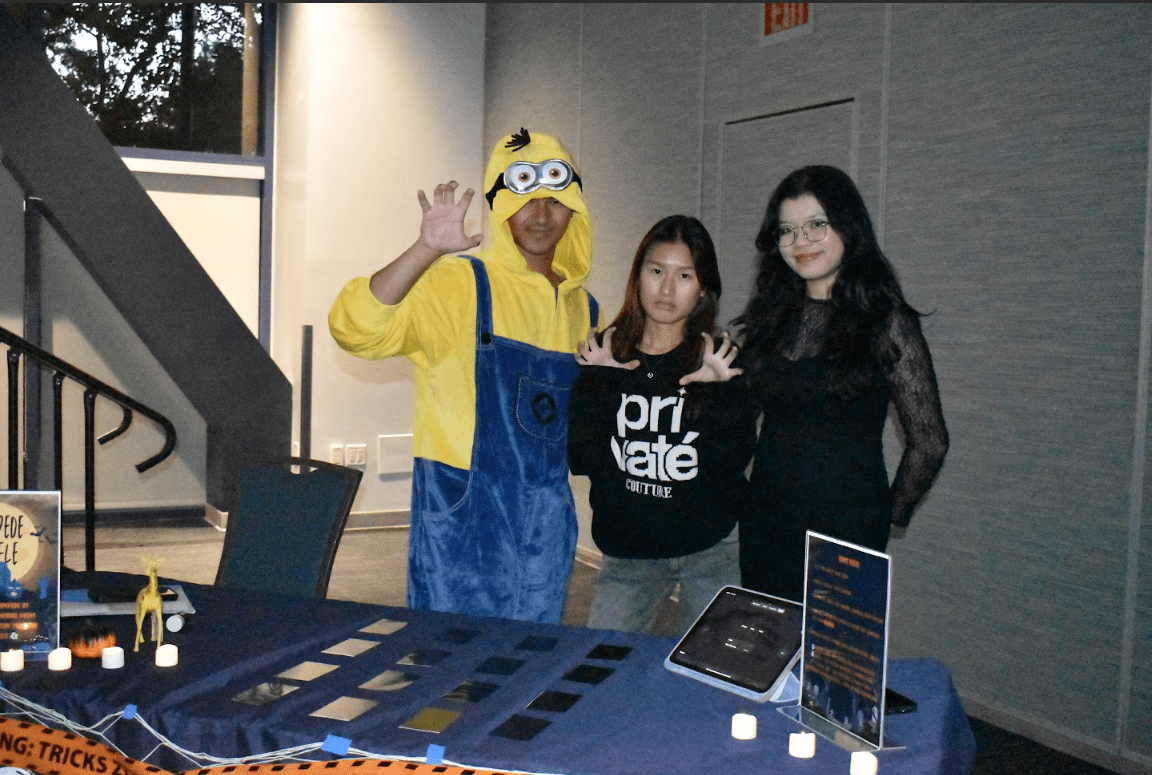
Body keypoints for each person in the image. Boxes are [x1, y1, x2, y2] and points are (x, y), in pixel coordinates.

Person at [328, 129, 598, 623]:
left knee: (527, 670)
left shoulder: (586, 308)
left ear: (574, 204)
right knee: (446, 675)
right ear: (499, 201)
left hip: (546, 528)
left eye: (554, 198)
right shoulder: (459, 283)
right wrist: (425, 250)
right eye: (523, 196)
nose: (540, 214)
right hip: (465, 516)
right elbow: (356, 330)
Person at [733, 165, 948, 602]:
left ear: (848, 226)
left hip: (848, 530)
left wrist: (890, 515)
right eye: (787, 231)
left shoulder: (888, 324)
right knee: (767, 655)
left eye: (817, 225)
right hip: (767, 522)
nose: (801, 242)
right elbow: (740, 427)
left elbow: (930, 441)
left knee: (835, 665)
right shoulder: (768, 322)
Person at [567, 215, 754, 635]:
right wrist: (598, 382)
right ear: (638, 278)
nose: (667, 290)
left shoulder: (719, 360)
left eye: (684, 275)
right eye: (656, 272)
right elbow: (581, 458)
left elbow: (733, 462)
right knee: (600, 664)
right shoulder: (607, 355)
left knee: (715, 679)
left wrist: (725, 393)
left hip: (711, 550)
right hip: (631, 553)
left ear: (703, 287)